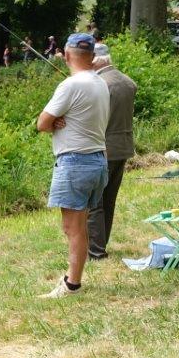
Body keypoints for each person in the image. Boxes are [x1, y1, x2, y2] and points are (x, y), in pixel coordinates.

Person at [36, 33, 110, 298]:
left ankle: (72, 285)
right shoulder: (100, 82)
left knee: (72, 228)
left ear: (66, 55)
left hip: (75, 162)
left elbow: (41, 124)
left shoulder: (70, 86)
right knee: (79, 224)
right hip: (97, 161)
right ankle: (72, 278)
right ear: (91, 56)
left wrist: (54, 121)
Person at [87, 42, 136, 261]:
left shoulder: (100, 84)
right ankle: (101, 243)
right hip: (123, 147)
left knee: (95, 202)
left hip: (103, 148)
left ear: (97, 60)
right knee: (109, 200)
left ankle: (96, 251)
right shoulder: (128, 82)